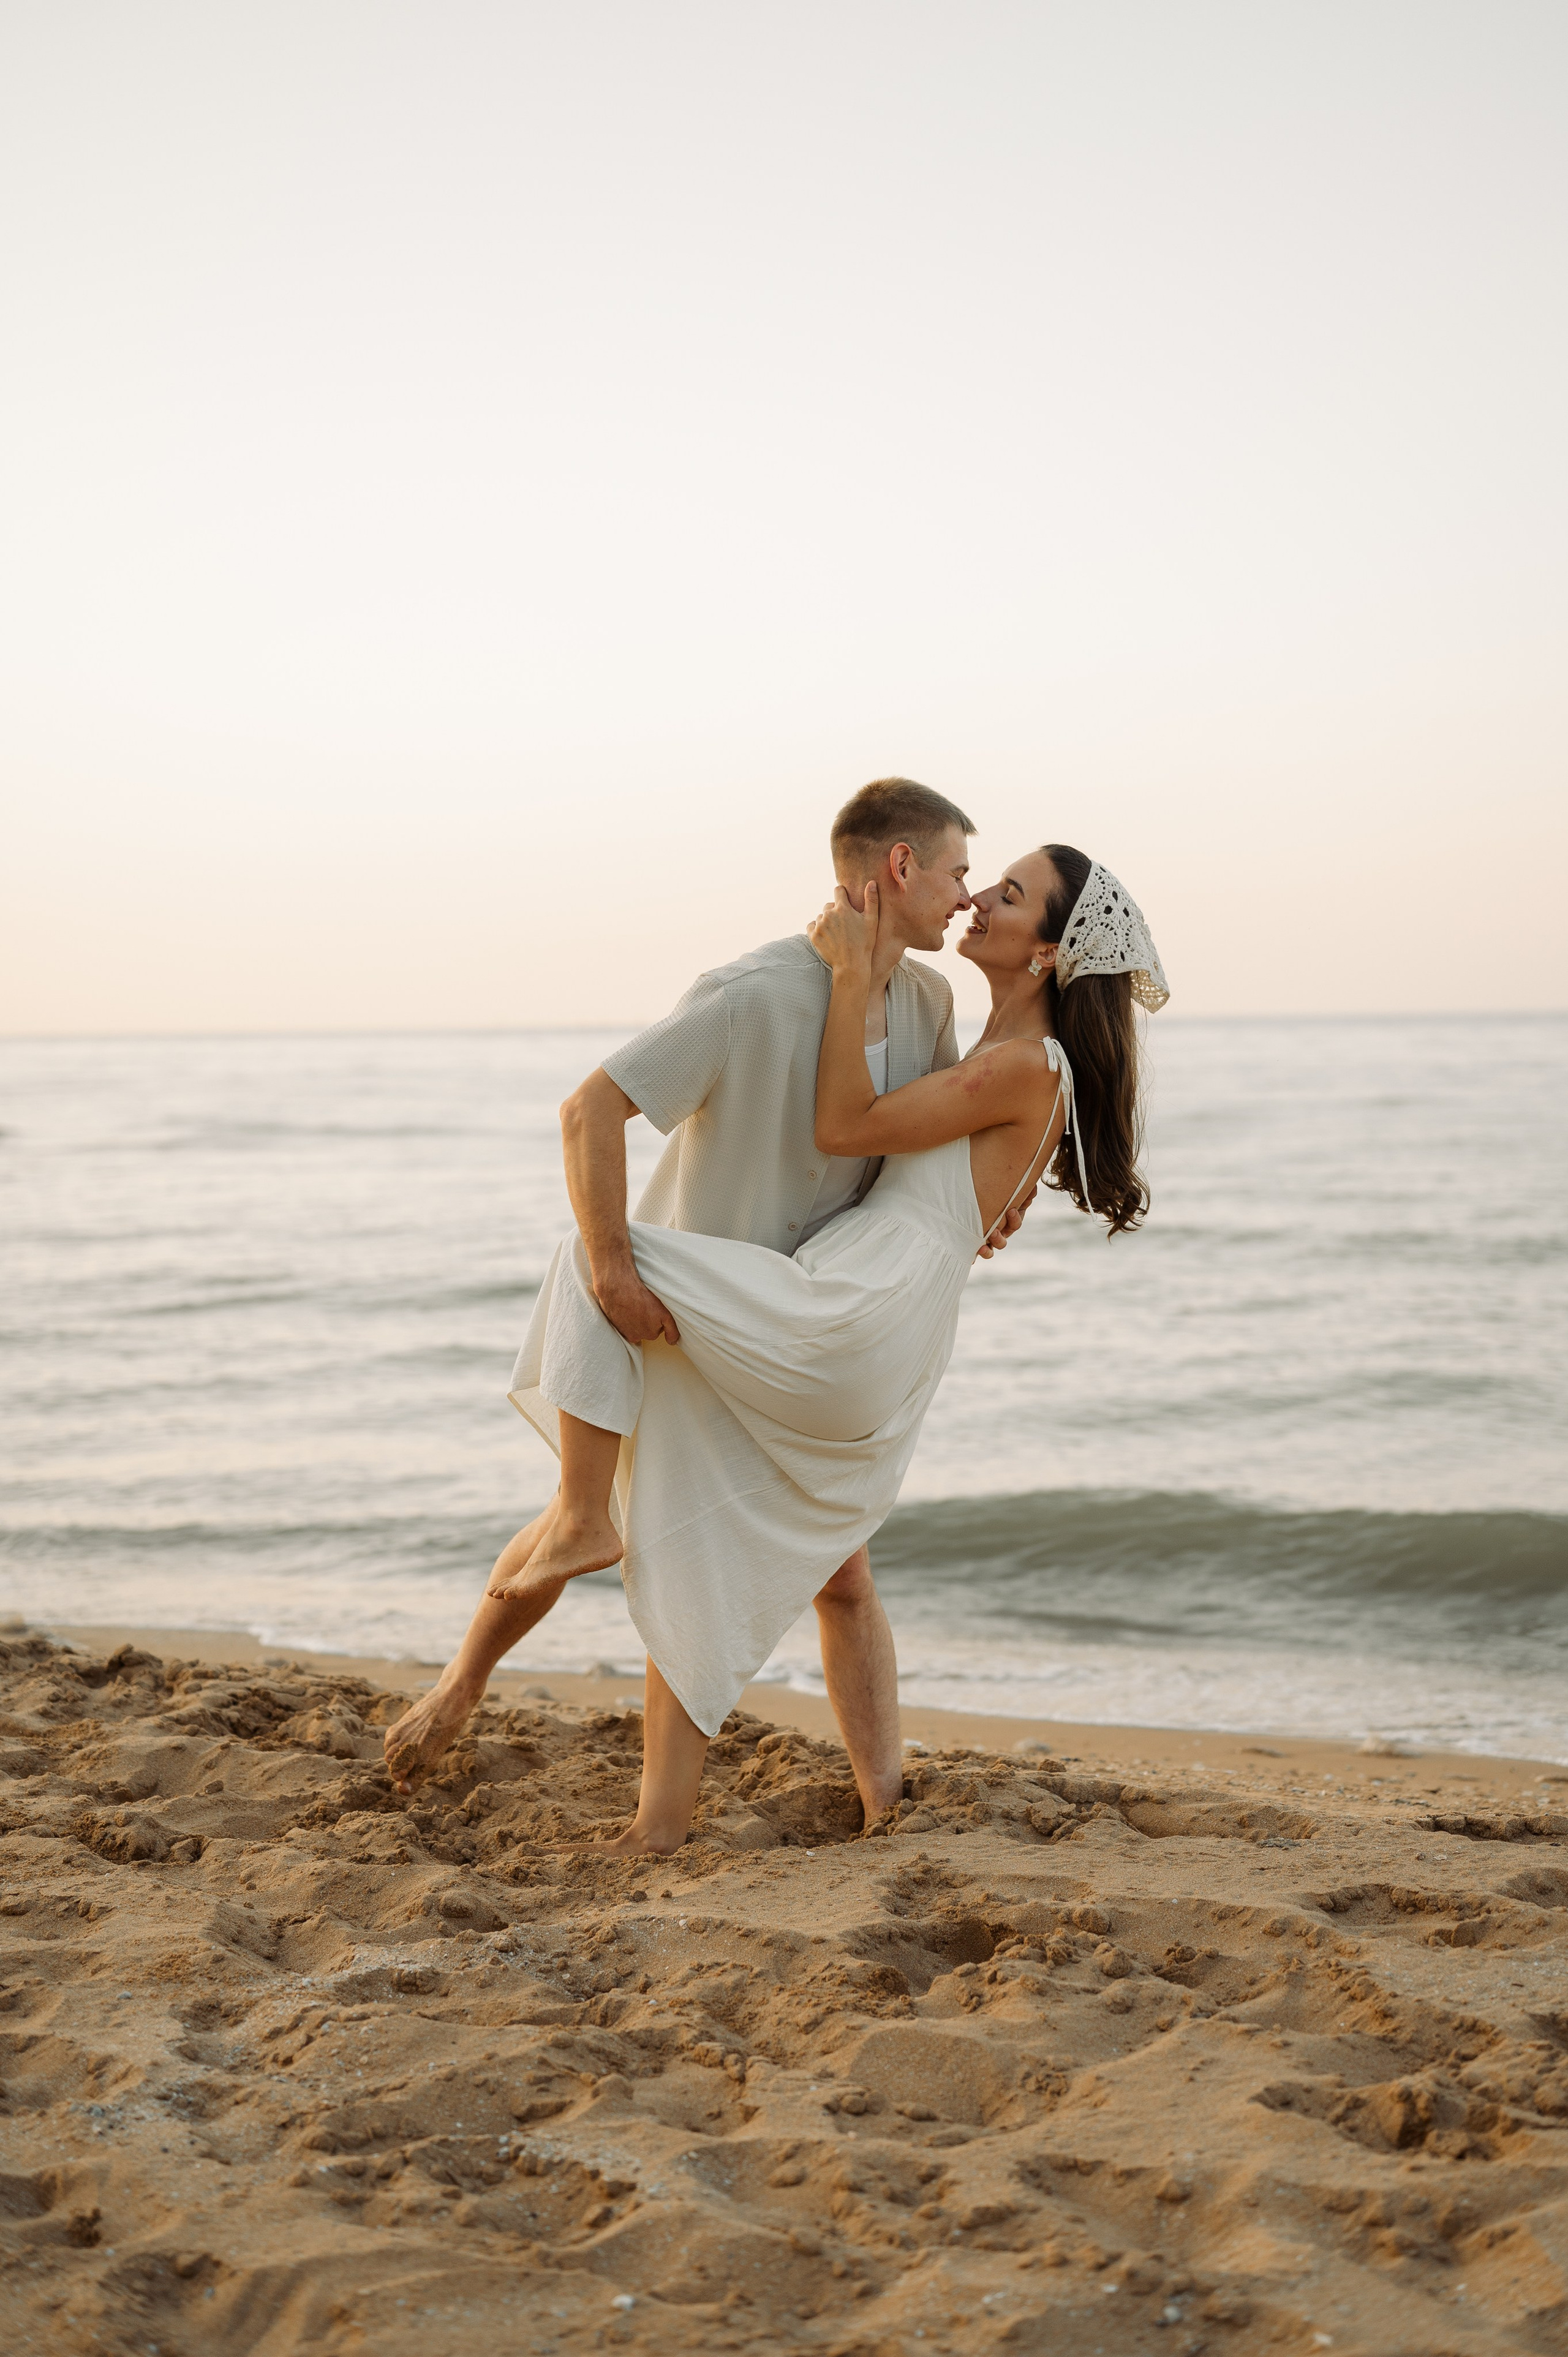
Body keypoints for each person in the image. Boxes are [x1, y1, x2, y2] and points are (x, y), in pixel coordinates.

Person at [396, 839, 1167, 1857]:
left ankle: (585, 1521)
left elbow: (847, 1125)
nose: (979, 897)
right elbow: (945, 1178)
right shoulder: (987, 1053)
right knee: (801, 1556)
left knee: (595, 1258)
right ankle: (845, 1809)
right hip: (880, 1324)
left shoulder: (1022, 1064)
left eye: (1010, 894)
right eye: (980, 879)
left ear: (1050, 955)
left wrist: (849, 974)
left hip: (850, 1312)